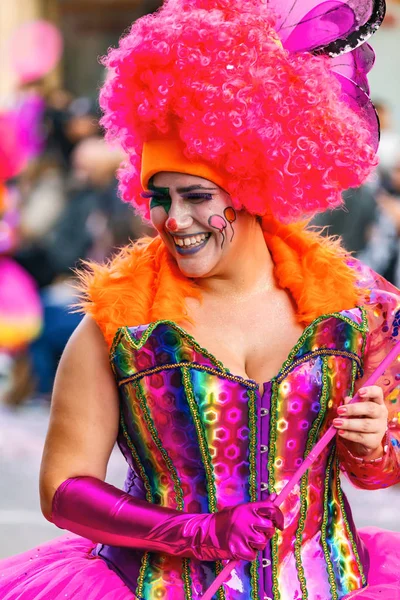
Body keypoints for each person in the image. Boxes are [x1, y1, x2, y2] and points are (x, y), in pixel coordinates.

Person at [1, 0, 400, 599]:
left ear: (254, 187)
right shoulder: (120, 327)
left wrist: (372, 446)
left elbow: (381, 470)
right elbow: (63, 489)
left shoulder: (350, 313)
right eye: (158, 196)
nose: (173, 219)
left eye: (196, 196)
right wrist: (195, 531)